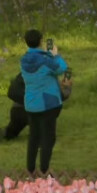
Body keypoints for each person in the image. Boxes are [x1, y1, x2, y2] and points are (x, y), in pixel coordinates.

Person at [20, 29, 68, 176]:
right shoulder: (46, 59)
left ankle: (30, 169)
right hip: (48, 103)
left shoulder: (23, 60)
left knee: (34, 137)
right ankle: (44, 169)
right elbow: (62, 68)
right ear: (41, 41)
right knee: (48, 137)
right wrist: (55, 54)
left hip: (31, 103)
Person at [0, 70, 29, 145]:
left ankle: (7, 132)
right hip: (35, 111)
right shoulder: (47, 71)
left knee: (13, 130)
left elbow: (12, 91)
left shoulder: (25, 71)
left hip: (16, 110)